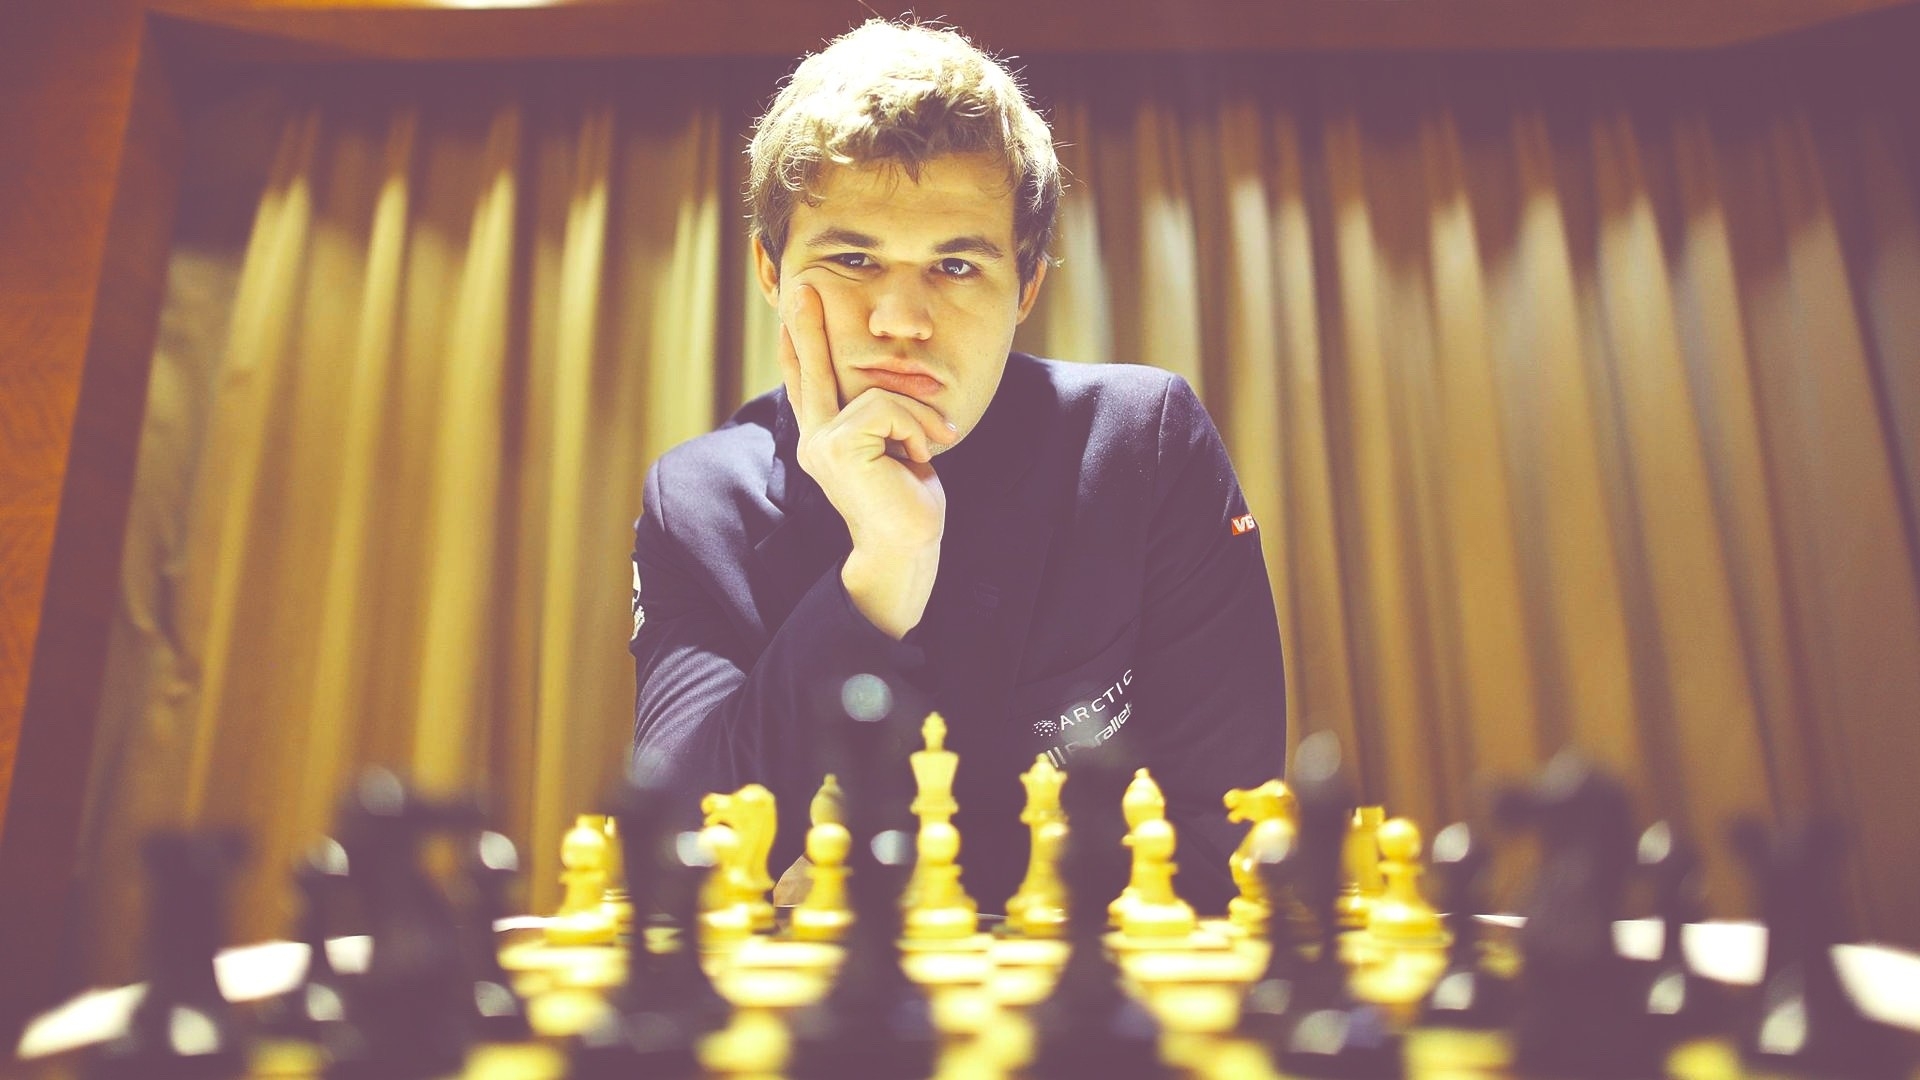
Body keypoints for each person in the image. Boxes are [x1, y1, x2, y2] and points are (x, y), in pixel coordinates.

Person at [629, 19, 1285, 912]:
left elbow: (1222, 844)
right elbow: (680, 858)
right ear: (770, 272)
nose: (901, 319)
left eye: (957, 265)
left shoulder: (1143, 447)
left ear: (1027, 289)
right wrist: (879, 575)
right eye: (852, 258)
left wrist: (908, 906)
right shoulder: (698, 502)